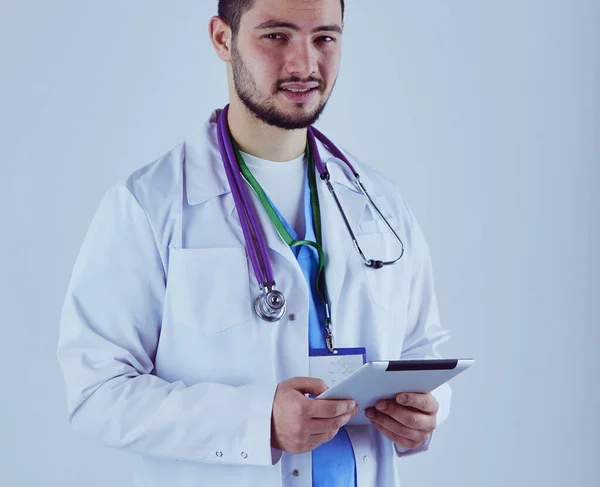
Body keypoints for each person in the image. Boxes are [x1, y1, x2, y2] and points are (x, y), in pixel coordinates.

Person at [56, 0, 453, 486]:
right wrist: (257, 422)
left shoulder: (381, 203)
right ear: (224, 39)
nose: (305, 64)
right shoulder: (148, 206)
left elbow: (422, 346)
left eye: (325, 38)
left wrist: (425, 413)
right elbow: (96, 391)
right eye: (276, 36)